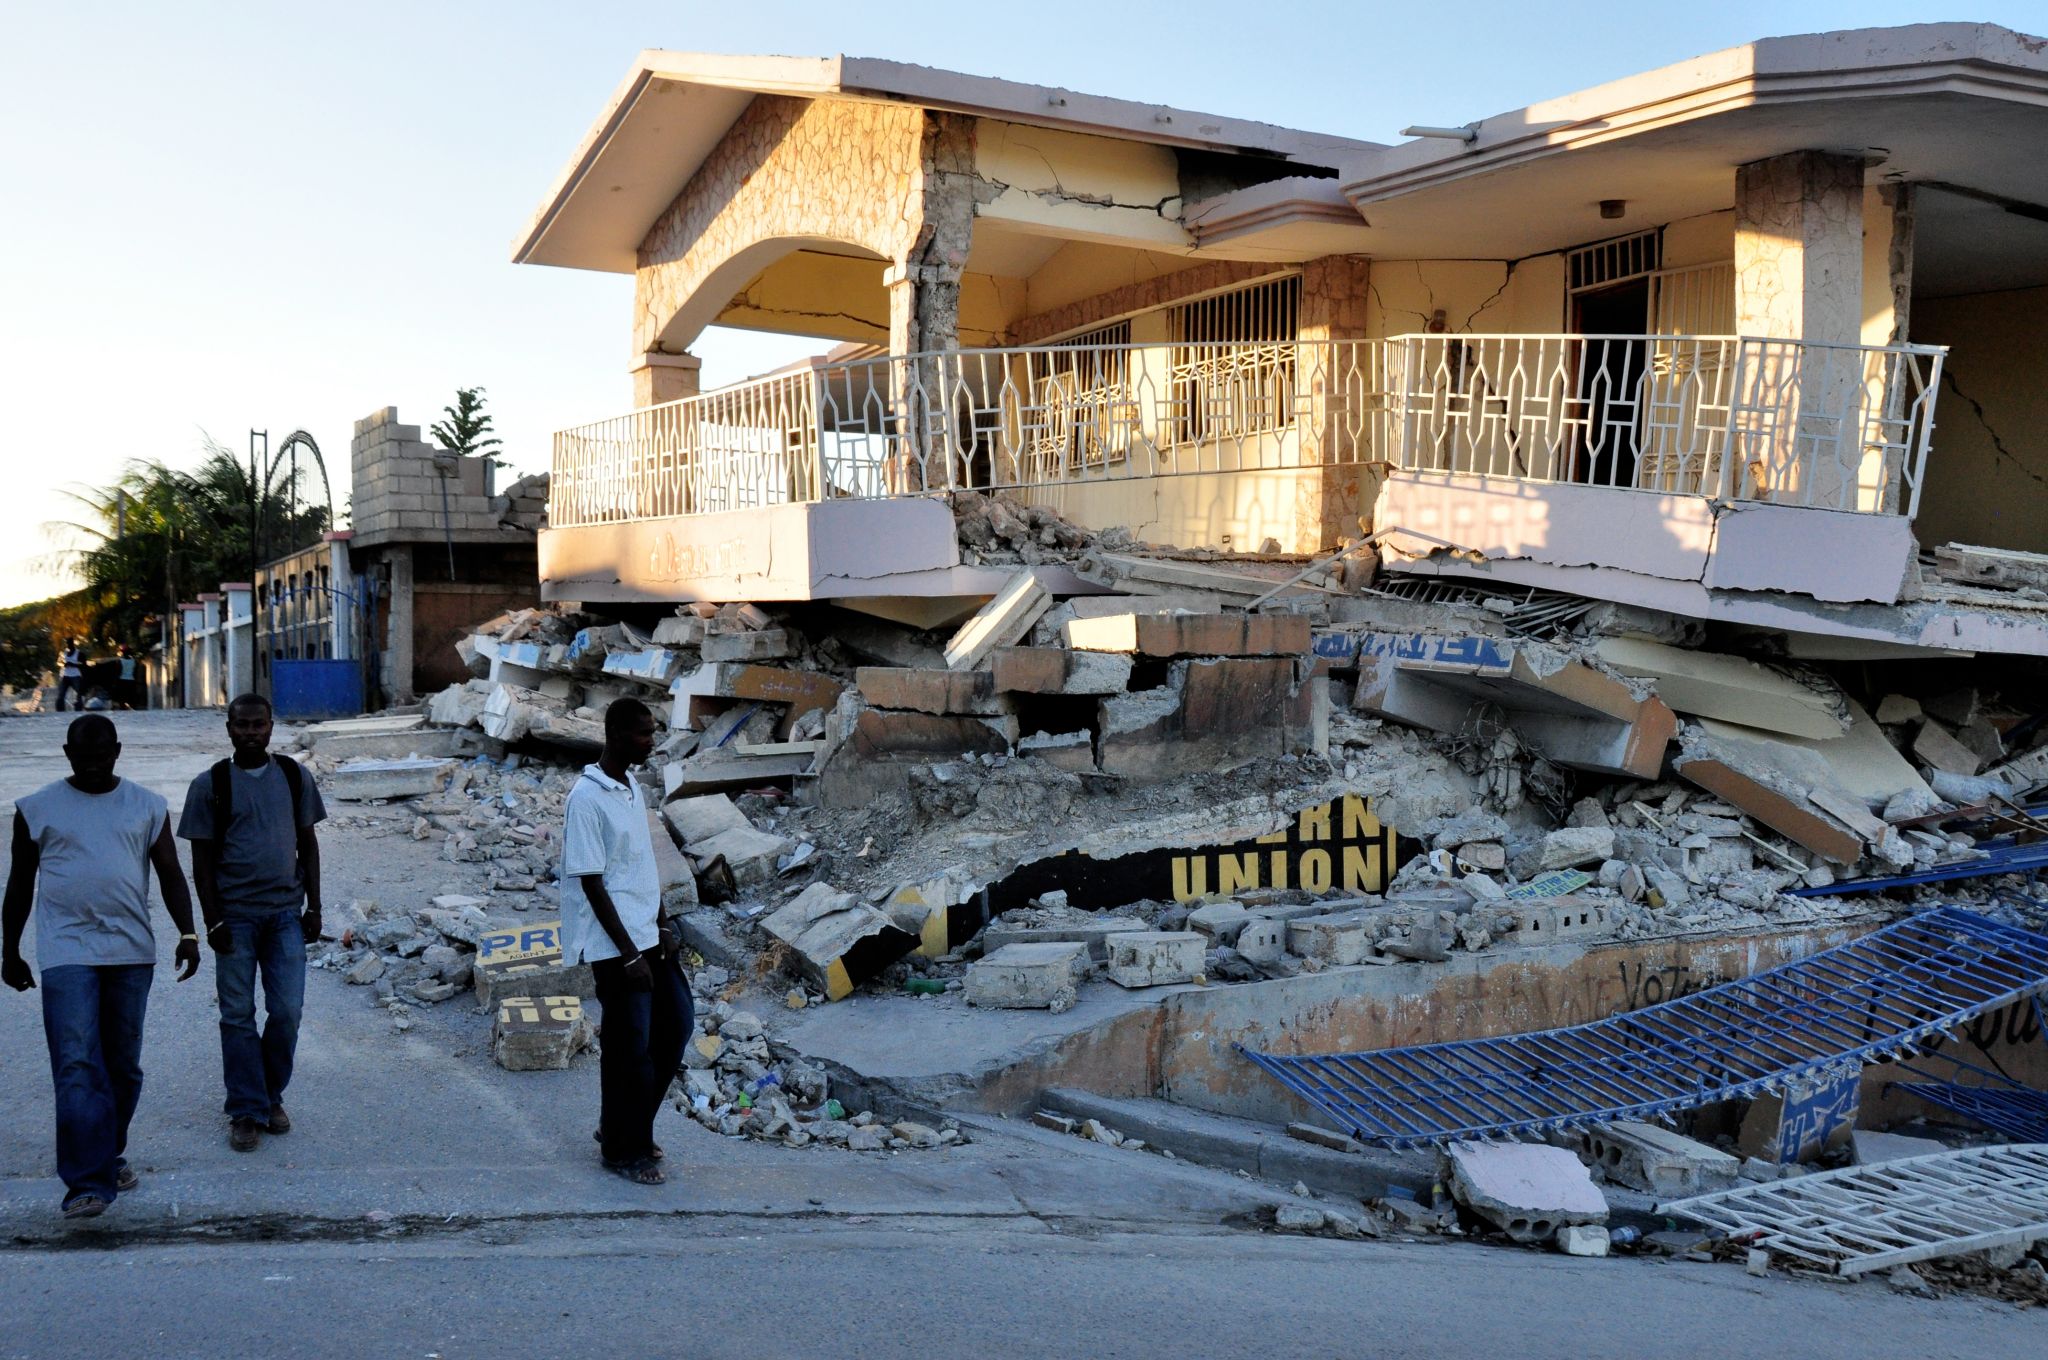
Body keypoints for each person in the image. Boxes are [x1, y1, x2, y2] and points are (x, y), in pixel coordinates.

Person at [2, 715, 200, 1220]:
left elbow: (172, 874)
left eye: (101, 755)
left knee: (122, 1067)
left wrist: (189, 933)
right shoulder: (36, 808)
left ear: (118, 751)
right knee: (75, 1063)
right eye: (81, 756)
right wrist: (10, 950)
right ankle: (86, 1184)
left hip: (131, 953)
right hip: (66, 952)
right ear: (66, 754)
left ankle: (107, 1154)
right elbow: (20, 884)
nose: (91, 765)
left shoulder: (147, 806)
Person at [176, 693, 326, 1153]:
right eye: (241, 725)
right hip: (235, 919)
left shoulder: (293, 776)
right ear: (228, 729)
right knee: (237, 1016)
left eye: (258, 724)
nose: (250, 733)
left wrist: (315, 908)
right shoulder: (211, 784)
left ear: (271, 727)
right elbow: (200, 863)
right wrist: (211, 921)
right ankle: (245, 1108)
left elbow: (309, 845)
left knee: (287, 1012)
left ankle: (271, 1096)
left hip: (284, 915)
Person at [561, 696, 690, 1186]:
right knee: (628, 1049)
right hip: (615, 947)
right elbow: (592, 883)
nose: (651, 741)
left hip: (645, 934)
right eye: (642, 734)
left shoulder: (631, 785)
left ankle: (626, 1126)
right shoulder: (586, 798)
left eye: (652, 732)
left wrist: (660, 925)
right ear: (614, 735)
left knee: (675, 1027)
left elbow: (642, 866)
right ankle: (622, 1149)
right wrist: (630, 954)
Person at [53, 640, 83, 713]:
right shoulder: (63, 653)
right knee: (61, 693)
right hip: (65, 675)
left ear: (73, 644)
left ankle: (78, 708)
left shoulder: (78, 653)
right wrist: (63, 665)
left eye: (70, 644)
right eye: (67, 644)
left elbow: (83, 664)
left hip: (75, 675)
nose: (68, 645)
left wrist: (73, 665)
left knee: (78, 693)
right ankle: (60, 710)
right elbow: (58, 662)